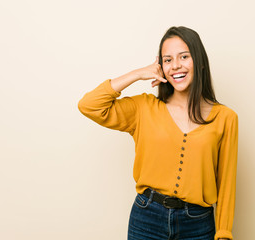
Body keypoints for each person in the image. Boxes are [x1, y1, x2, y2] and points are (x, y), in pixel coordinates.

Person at [78, 26, 238, 240]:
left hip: (198, 224)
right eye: (168, 60)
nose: (176, 65)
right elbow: (89, 105)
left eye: (184, 56)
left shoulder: (225, 117)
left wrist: (224, 233)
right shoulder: (144, 108)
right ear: (160, 66)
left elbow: (227, 182)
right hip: (146, 219)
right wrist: (138, 74)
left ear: (199, 62)